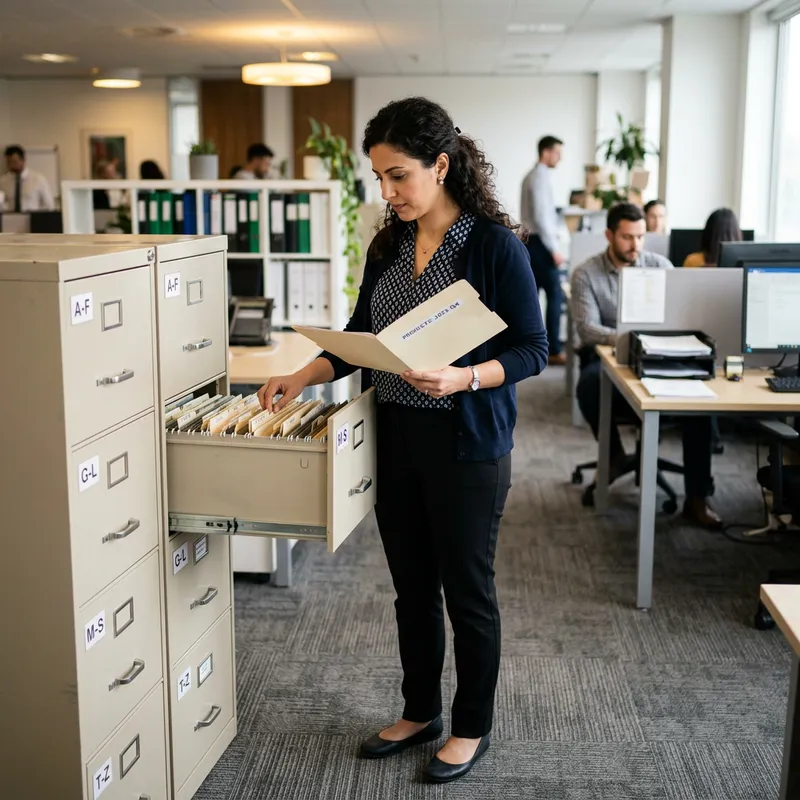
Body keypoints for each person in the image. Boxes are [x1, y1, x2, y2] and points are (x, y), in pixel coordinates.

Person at [256, 97, 548, 784]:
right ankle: (421, 710)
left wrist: (469, 375)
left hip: (467, 443)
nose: (386, 193)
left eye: (398, 177)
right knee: (412, 589)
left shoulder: (493, 246)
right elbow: (363, 338)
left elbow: (535, 348)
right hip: (395, 438)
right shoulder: (388, 242)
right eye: (379, 179)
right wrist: (306, 372)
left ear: (440, 166)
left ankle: (471, 723)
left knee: (467, 590)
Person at [570, 202, 721, 529]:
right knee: (589, 385)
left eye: (641, 237)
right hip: (610, 359)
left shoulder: (661, 267)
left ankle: (697, 498)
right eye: (627, 237)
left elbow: (683, 316)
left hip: (661, 356)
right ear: (609, 235)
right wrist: (633, 339)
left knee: (703, 404)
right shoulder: (586, 273)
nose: (635, 245)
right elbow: (588, 329)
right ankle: (612, 456)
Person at [520, 135, 565, 366]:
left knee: (534, 296)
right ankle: (554, 349)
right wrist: (554, 249)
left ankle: (533, 346)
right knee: (555, 295)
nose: (560, 157)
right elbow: (541, 217)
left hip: (534, 242)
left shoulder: (537, 175)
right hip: (540, 243)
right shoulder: (538, 177)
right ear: (546, 152)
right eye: (557, 152)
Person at [0, 145, 54, 212]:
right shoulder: (2, 182)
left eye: (14, 162)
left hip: (33, 219)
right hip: (10, 220)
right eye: (8, 162)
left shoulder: (38, 179)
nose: (11, 165)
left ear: (23, 160)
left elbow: (49, 205)